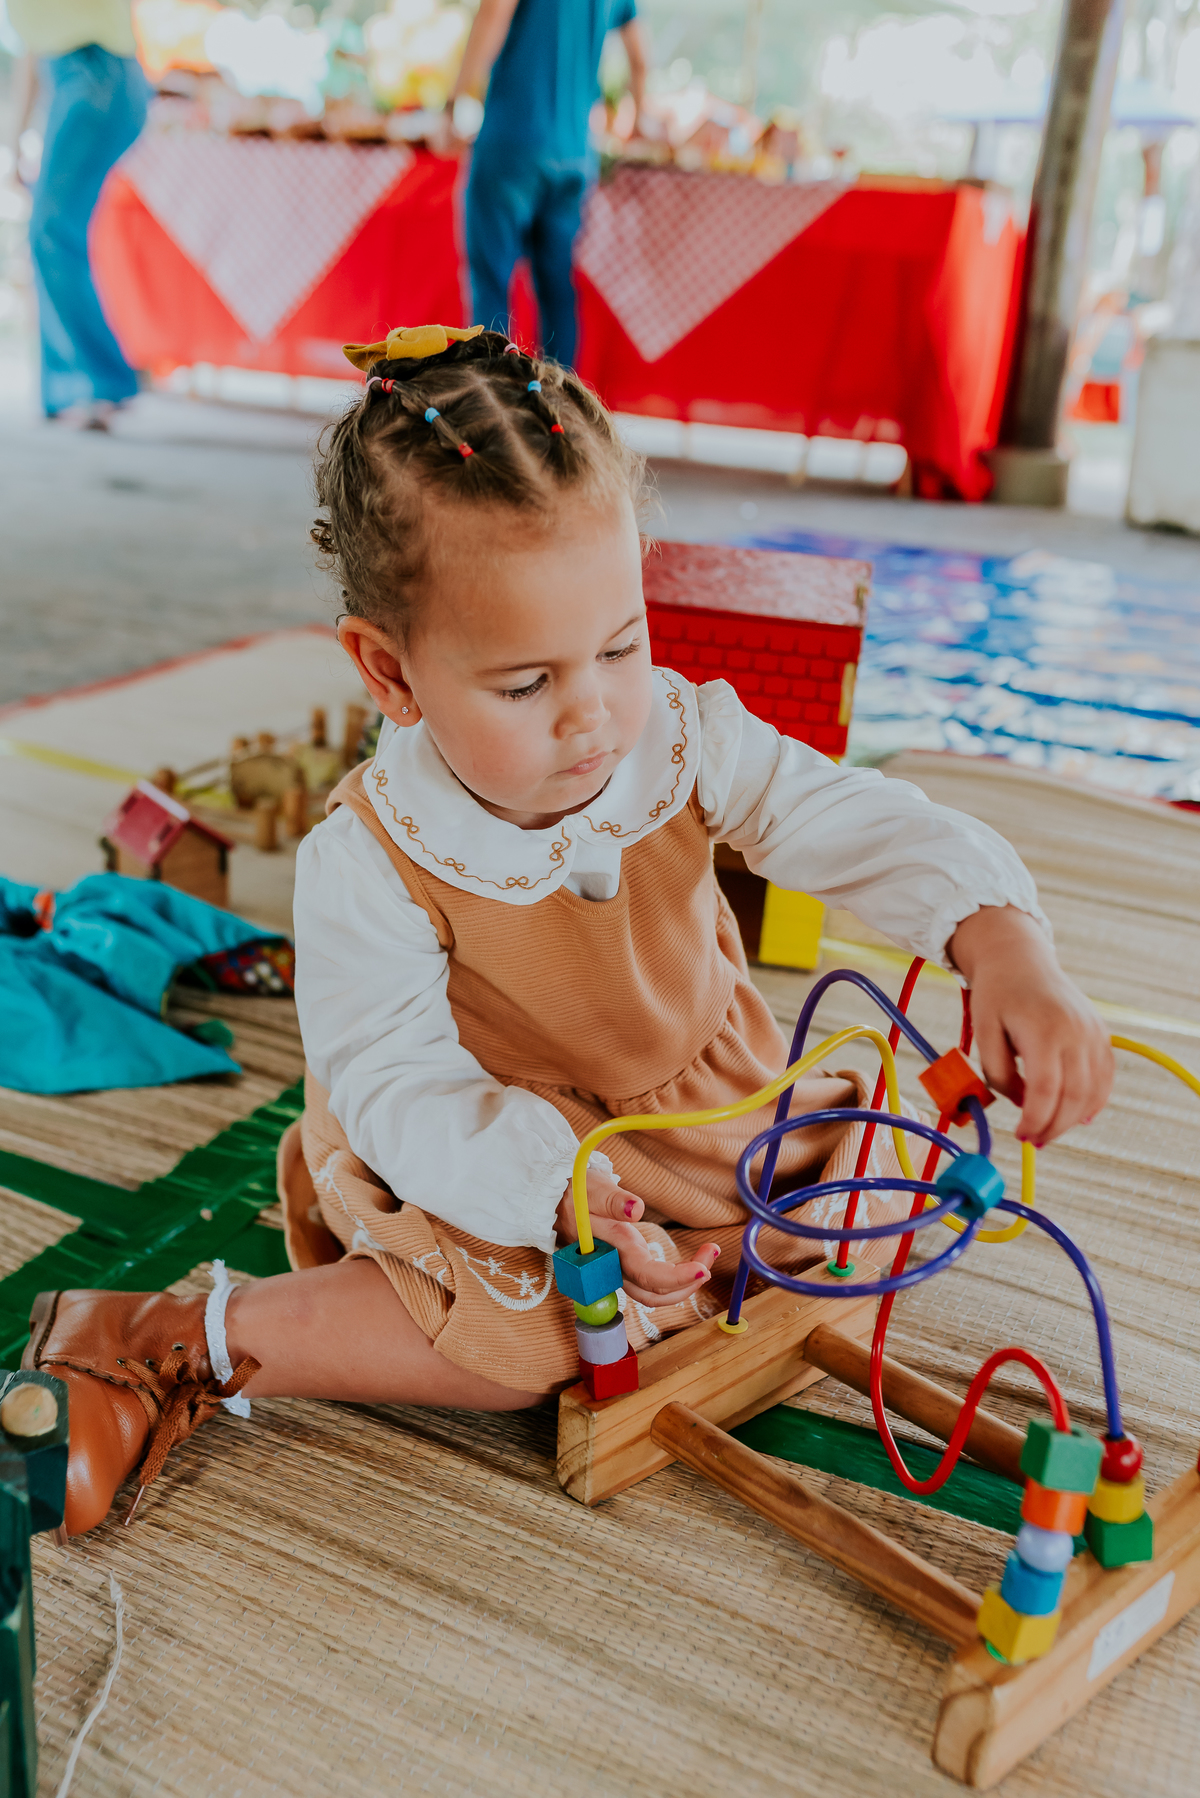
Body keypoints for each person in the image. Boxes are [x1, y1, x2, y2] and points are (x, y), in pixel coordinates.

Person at [23, 324, 1114, 1535]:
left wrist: (1003, 941)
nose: (593, 715)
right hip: (497, 1135)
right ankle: (175, 1333)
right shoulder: (370, 855)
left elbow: (850, 818)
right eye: (526, 683)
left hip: (701, 1105)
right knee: (521, 1335)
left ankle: (690, 1264)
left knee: (889, 1177)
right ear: (390, 675)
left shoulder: (684, 739)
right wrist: (556, 1196)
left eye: (621, 645)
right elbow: (394, 1078)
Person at [447, 0, 647, 365]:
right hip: (575, 152)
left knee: (491, 284)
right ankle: (561, 410)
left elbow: (494, 11)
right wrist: (640, 119)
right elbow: (640, 60)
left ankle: (489, 406)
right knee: (556, 288)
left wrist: (455, 102)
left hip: (512, 140)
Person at [7, 2, 148, 425]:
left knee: (52, 232)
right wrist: (14, 142)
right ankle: (65, 388)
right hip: (75, 75)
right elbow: (32, 54)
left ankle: (99, 381)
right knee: (52, 234)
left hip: (96, 73)